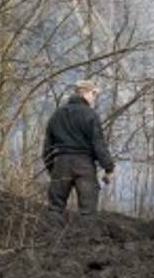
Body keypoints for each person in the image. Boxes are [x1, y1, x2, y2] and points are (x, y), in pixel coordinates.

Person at [42, 79, 115, 214]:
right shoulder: (90, 114)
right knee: (88, 212)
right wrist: (109, 168)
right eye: (94, 94)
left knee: (54, 210)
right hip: (84, 165)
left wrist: (52, 169)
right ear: (85, 93)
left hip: (60, 163)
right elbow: (98, 144)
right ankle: (87, 235)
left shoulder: (57, 115)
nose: (95, 98)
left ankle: (52, 234)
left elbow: (47, 147)